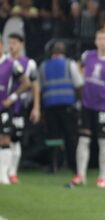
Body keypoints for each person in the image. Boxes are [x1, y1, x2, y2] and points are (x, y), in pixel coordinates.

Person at [69, 28, 105, 188]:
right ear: (95, 41)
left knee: (104, 141)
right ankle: (80, 175)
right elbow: (77, 67)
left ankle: (102, 177)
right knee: (83, 140)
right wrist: (81, 82)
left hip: (104, 105)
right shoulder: (87, 55)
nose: (102, 42)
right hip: (87, 103)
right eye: (100, 39)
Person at [39, 41, 83, 175]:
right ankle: (73, 166)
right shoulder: (70, 64)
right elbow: (79, 85)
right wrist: (77, 101)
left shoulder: (43, 66)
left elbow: (40, 88)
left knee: (53, 137)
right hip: (67, 105)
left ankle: (53, 165)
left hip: (50, 105)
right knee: (70, 137)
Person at [7, 33, 40, 184]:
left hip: (18, 106)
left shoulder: (29, 63)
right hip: (3, 105)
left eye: (14, 43)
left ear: (21, 44)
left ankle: (12, 172)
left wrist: (36, 107)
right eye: (10, 42)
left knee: (15, 138)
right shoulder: (4, 61)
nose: (11, 46)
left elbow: (34, 85)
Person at [0, 37, 31, 184]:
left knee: (6, 139)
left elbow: (26, 83)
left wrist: (12, 98)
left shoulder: (12, 64)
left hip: (5, 108)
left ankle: (4, 175)